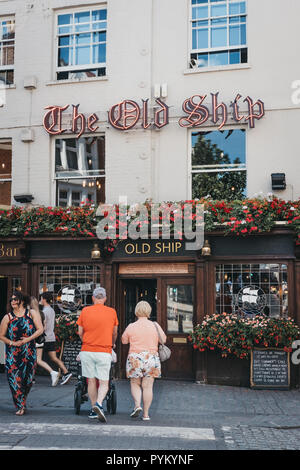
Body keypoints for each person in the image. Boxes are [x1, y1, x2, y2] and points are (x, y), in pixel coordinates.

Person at [77, 287, 118, 423]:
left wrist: (87, 342)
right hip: (104, 351)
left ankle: (93, 409)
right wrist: (112, 343)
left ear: (93, 298)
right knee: (104, 382)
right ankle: (99, 404)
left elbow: (80, 332)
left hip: (87, 350)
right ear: (105, 298)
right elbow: (114, 332)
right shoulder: (112, 312)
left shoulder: (85, 311)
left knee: (91, 381)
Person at [0, 291, 44, 415]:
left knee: (28, 380)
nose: (13, 301)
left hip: (29, 352)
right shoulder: (7, 317)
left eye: (15, 299)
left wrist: (27, 340)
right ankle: (20, 406)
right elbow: (1, 335)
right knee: (14, 379)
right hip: (12, 354)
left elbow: (40, 329)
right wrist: (13, 343)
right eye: (11, 300)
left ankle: (22, 401)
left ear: (22, 301)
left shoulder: (32, 313)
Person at [121, 301, 166, 421]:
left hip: (135, 358)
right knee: (148, 386)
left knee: (135, 383)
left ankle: (137, 405)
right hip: (151, 358)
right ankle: (146, 414)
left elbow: (124, 341)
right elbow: (164, 339)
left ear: (136, 311)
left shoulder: (131, 326)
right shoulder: (155, 325)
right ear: (149, 311)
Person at [40, 292, 72, 385]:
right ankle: (66, 372)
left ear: (44, 299)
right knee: (54, 358)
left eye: (41, 298)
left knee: (36, 359)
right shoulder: (52, 310)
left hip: (44, 338)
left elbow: (44, 326)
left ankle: (32, 377)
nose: (40, 300)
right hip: (51, 337)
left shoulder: (44, 311)